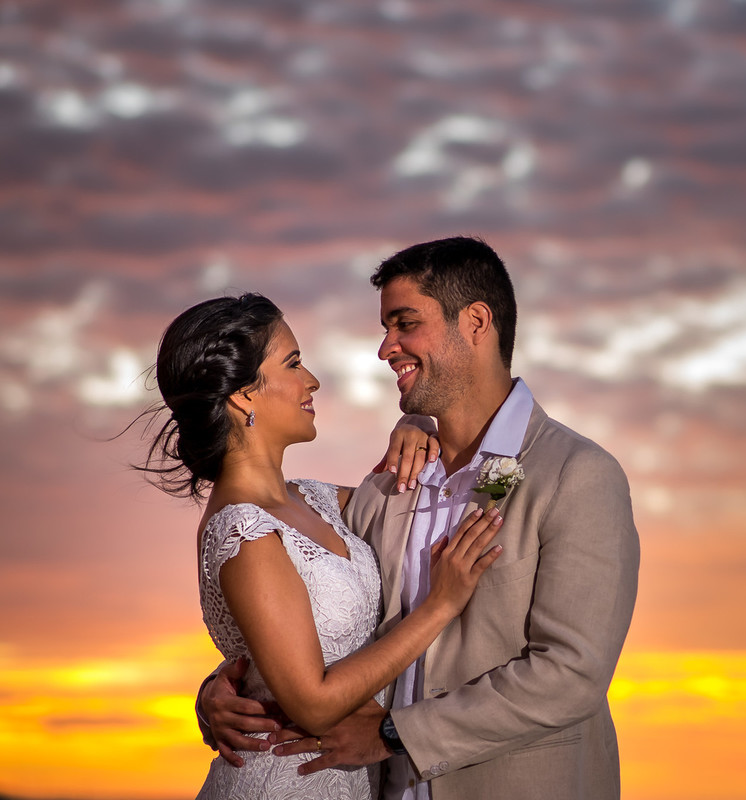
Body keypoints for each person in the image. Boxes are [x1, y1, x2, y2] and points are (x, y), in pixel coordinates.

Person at [202, 237, 641, 799]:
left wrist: (393, 733)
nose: (386, 348)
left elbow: (572, 674)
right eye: (386, 328)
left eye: (405, 324)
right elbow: (308, 617)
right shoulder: (386, 487)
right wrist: (223, 692)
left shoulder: (577, 475)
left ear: (477, 322)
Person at [143, 293, 504, 798]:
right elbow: (313, 703)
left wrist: (417, 422)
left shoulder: (317, 500)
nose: (310, 379)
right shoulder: (244, 531)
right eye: (292, 363)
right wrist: (440, 605)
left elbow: (409, 502)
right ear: (243, 395)